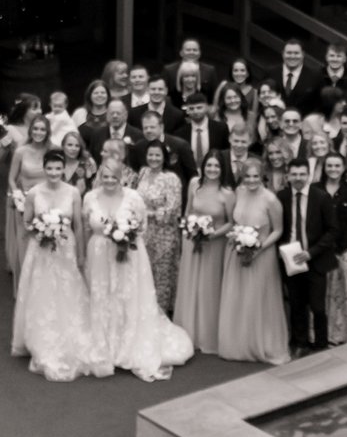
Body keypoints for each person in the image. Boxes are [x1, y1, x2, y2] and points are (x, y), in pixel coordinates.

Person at [80, 155, 195, 381]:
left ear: (121, 177)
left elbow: (141, 227)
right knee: (103, 295)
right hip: (99, 254)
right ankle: (105, 341)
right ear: (99, 177)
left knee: (127, 296)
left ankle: (128, 341)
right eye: (105, 176)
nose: (110, 181)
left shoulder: (133, 198)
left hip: (128, 256)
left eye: (114, 176)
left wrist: (124, 239)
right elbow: (86, 226)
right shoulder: (90, 197)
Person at [12, 149, 96, 380]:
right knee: (43, 292)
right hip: (40, 251)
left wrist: (80, 254)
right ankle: (40, 337)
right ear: (44, 169)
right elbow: (26, 223)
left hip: (66, 249)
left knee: (67, 290)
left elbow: (78, 225)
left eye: (58, 169)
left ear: (62, 170)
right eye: (49, 169)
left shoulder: (73, 193)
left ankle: (69, 334)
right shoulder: (33, 194)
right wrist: (41, 229)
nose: (53, 173)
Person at [218, 154, 290, 364]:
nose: (251, 180)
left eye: (255, 176)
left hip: (261, 256)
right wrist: (236, 239)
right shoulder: (238, 193)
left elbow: (278, 231)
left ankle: (260, 343)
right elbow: (233, 222)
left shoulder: (271, 200)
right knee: (238, 297)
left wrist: (258, 248)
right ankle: (239, 342)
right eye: (247, 176)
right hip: (236, 253)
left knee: (257, 299)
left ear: (262, 176)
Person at [281, 156, 344, 354]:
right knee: (296, 305)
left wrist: (311, 253)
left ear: (308, 175)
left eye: (302, 174)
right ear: (288, 176)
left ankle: (321, 344)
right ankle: (300, 343)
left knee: (317, 307)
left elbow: (333, 230)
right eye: (294, 174)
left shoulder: (321, 197)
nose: (298, 178)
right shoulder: (280, 197)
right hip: (290, 260)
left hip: (315, 259)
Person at [176, 149, 234, 352]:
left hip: (214, 245)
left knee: (208, 288)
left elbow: (231, 223)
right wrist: (189, 230)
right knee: (191, 285)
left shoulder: (227, 193)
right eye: (209, 165)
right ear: (203, 166)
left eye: (216, 166)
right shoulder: (194, 184)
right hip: (192, 242)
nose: (212, 169)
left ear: (222, 169)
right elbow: (188, 211)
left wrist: (213, 234)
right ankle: (188, 332)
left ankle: (207, 335)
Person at [0, 105, 52, 276]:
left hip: (48, 199)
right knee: (27, 240)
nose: (39, 133)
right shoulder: (20, 151)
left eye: (42, 129)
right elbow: (11, 177)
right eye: (35, 129)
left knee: (48, 237)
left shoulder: (53, 149)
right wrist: (16, 194)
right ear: (30, 131)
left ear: (47, 132)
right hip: (26, 199)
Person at [135, 139, 185, 318]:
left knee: (162, 276)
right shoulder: (142, 173)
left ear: (164, 157)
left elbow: (170, 210)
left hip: (164, 234)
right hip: (143, 234)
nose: (153, 158)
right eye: (151, 154)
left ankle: (161, 314)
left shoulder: (171, 178)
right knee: (144, 272)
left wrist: (146, 213)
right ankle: (144, 312)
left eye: (158, 155)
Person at [318, 150, 347, 345]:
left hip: (345, 248)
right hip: (321, 248)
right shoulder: (316, 189)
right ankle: (324, 334)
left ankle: (345, 335)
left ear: (344, 168)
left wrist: (342, 245)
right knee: (324, 291)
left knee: (346, 291)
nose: (333, 169)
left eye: (337, 165)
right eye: (329, 165)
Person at [138, 108, 194, 180]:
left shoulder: (180, 145)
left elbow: (192, 176)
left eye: (152, 127)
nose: (148, 131)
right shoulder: (139, 147)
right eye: (145, 128)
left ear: (161, 127)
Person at [271, 39, 325, 112]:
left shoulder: (315, 76)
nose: (292, 56)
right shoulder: (271, 73)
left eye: (296, 53)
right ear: (282, 54)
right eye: (289, 53)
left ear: (303, 54)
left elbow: (320, 105)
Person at [180, 95, 229, 175]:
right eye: (191, 108)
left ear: (206, 108)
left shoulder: (221, 128)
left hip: (216, 173)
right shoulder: (181, 133)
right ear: (187, 110)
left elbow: (225, 153)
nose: (195, 111)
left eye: (199, 108)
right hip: (190, 175)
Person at [84, 98, 136, 166]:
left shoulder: (137, 135)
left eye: (118, 113)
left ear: (126, 115)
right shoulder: (96, 135)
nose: (115, 116)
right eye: (112, 113)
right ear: (107, 115)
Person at [318, 44, 347, 118]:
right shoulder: (318, 75)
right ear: (326, 57)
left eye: (339, 56)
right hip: (321, 115)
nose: (335, 59)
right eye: (332, 56)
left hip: (346, 117)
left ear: (345, 59)